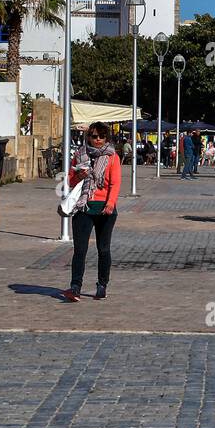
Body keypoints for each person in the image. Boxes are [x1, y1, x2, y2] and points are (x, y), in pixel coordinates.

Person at [61, 122, 121, 302]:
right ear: (88, 137)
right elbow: (70, 181)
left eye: (101, 137)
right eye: (94, 136)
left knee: (103, 249)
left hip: (104, 207)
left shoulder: (112, 157)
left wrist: (110, 203)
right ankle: (75, 286)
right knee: (80, 249)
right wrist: (79, 175)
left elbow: (115, 183)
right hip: (83, 206)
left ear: (106, 138)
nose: (97, 140)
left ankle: (102, 285)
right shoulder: (80, 155)